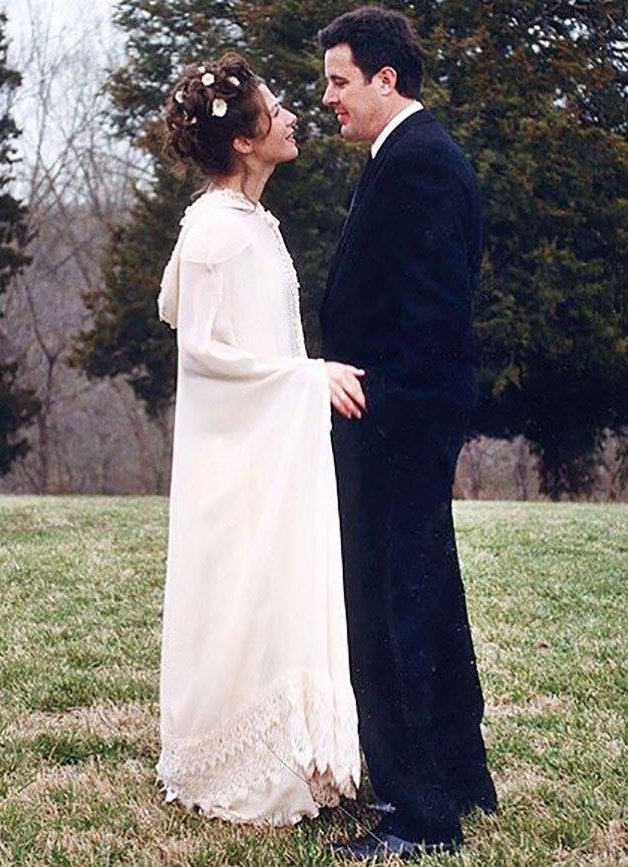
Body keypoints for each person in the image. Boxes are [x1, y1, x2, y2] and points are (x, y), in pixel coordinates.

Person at [155, 52, 363, 826]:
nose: (292, 116)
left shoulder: (250, 224)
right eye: (274, 112)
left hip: (266, 447)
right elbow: (203, 349)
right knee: (243, 591)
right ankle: (239, 761)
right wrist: (309, 379)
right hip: (236, 458)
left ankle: (287, 753)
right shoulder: (216, 231)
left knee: (269, 587)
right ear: (243, 141)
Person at [318, 7, 498, 860]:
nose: (328, 99)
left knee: (398, 612)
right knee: (427, 599)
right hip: (400, 422)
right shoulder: (407, 157)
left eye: (339, 81)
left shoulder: (420, 163)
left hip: (396, 425)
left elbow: (433, 317)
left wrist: (376, 401)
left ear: (387, 80)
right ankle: (462, 778)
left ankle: (422, 816)